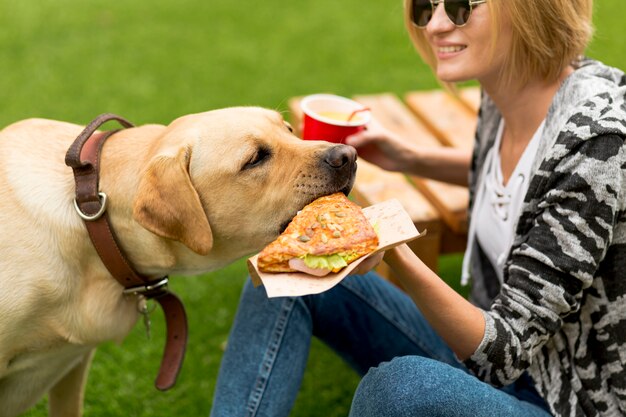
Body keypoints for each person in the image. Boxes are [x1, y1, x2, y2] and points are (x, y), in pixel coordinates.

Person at [210, 0, 626, 415]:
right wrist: (409, 157)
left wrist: (388, 244)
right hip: (503, 354)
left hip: (569, 399)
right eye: (426, 8)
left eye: (462, 7)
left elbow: (505, 353)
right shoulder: (512, 85)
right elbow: (528, 175)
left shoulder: (598, 146)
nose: (436, 26)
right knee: (281, 276)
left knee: (401, 389)